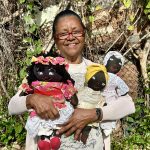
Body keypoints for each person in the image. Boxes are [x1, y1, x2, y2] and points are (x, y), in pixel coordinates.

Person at [8, 9, 135, 150]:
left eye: (76, 32)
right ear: (55, 39)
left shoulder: (97, 70)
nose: (70, 37)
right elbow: (12, 106)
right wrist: (31, 99)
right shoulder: (42, 70)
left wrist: (96, 114)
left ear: (84, 35)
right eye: (63, 34)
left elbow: (128, 104)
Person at [101, 51, 129, 150]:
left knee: (102, 132)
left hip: (101, 103)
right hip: (108, 105)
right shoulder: (116, 79)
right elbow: (124, 91)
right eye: (112, 63)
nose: (115, 66)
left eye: (118, 64)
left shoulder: (101, 75)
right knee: (106, 134)